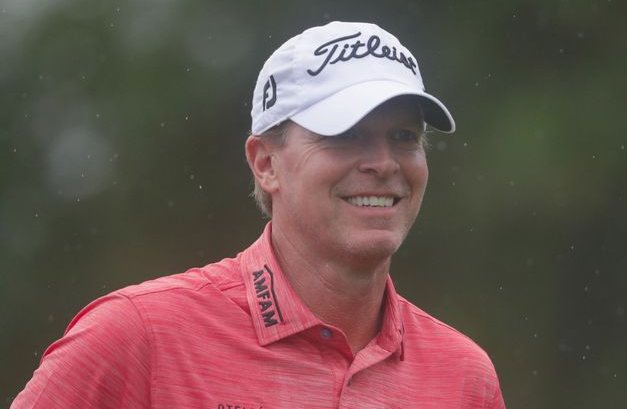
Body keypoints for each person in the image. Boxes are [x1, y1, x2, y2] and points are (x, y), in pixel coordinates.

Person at [13, 21, 505, 408]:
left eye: (405, 136)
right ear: (266, 164)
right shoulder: (138, 336)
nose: (383, 162)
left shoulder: (464, 377)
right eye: (345, 134)